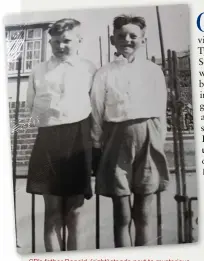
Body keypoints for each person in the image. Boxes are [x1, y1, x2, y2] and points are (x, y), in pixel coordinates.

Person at [91, 15, 170, 247]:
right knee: (122, 214)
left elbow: (160, 108)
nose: (127, 39)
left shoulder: (153, 71)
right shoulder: (104, 73)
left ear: (143, 40)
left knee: (143, 213)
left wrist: (158, 140)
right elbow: (97, 110)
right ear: (112, 40)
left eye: (133, 36)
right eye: (121, 36)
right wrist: (96, 144)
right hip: (116, 142)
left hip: (148, 139)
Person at [26, 18, 96, 252]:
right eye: (55, 41)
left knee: (75, 211)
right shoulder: (39, 71)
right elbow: (31, 109)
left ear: (79, 40)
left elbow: (96, 107)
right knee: (52, 211)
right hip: (48, 141)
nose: (60, 46)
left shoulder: (89, 69)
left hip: (79, 138)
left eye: (66, 40)